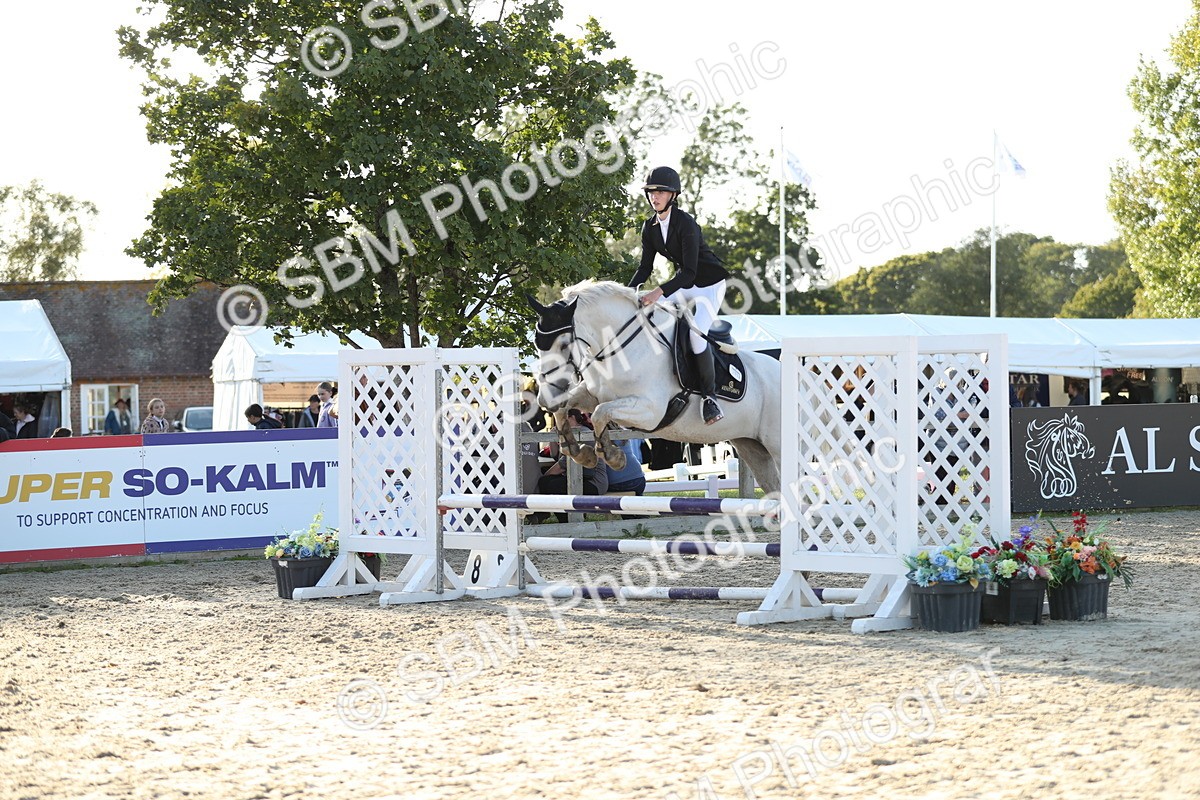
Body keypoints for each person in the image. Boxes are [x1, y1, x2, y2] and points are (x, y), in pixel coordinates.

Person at [627, 166, 730, 425]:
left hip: (708, 284)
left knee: (696, 336)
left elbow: (691, 272)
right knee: (644, 311)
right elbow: (645, 267)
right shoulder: (649, 227)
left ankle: (709, 398)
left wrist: (657, 292)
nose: (655, 196)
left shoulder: (686, 223)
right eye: (651, 191)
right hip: (685, 283)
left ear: (673, 194)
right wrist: (629, 294)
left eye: (660, 191)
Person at [533, 411, 608, 521]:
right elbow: (555, 456)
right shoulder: (570, 434)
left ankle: (566, 519)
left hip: (594, 482)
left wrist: (543, 476)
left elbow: (562, 465)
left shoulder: (582, 433)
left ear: (572, 418)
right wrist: (553, 438)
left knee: (550, 484)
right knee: (546, 482)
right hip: (576, 477)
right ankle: (557, 516)